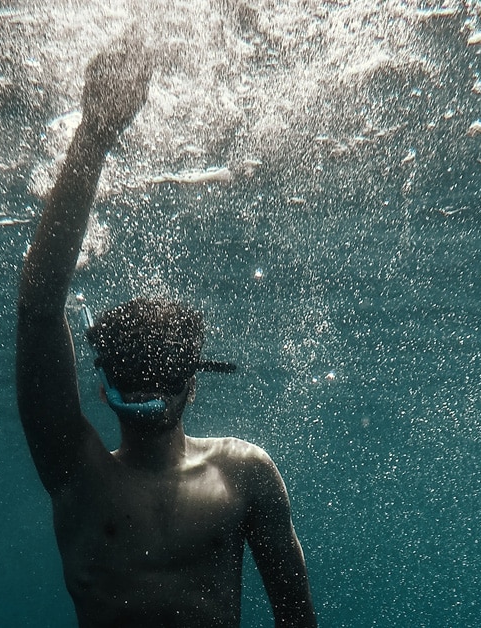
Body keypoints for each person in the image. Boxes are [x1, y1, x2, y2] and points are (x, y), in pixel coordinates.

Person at [16, 35, 317, 628]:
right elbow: (40, 308)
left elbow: (296, 618)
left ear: (192, 378)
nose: (147, 382)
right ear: (104, 381)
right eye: (131, 365)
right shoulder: (75, 471)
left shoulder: (245, 473)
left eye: (162, 366)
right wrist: (94, 136)